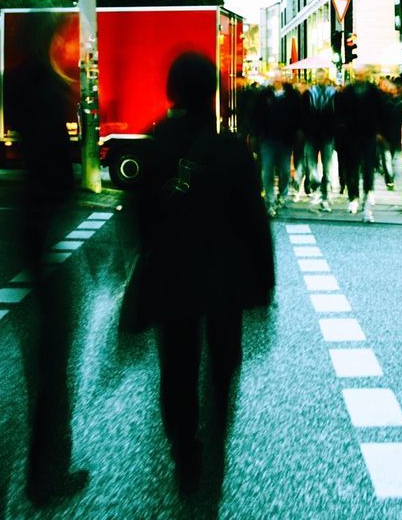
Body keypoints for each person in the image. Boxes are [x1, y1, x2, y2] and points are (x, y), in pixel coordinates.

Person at [127, 52, 275, 490]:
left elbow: (139, 219)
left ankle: (184, 449)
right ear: (212, 91)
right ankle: (216, 433)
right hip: (223, 278)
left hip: (173, 277)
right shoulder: (230, 148)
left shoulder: (155, 142)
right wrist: (264, 283)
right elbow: (254, 220)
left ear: (172, 91)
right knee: (223, 361)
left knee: (177, 365)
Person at [3, 15, 88, 507]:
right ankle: (47, 478)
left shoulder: (17, 84)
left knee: (37, 366)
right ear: (50, 40)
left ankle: (31, 475)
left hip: (24, 230)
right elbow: (57, 167)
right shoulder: (49, 88)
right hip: (45, 232)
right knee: (53, 368)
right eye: (61, 36)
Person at [337, 67, 385, 222]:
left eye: (361, 75)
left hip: (368, 134)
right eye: (357, 75)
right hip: (352, 134)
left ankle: (368, 193)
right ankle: (353, 197)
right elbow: (341, 113)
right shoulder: (348, 92)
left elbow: (380, 112)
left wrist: (378, 131)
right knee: (352, 167)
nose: (359, 77)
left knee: (368, 168)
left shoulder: (373, 92)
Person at [251, 73, 301, 217]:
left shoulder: (291, 96)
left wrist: (294, 133)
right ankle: (270, 200)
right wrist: (258, 132)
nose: (277, 80)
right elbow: (257, 115)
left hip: (285, 139)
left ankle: (282, 196)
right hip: (268, 139)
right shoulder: (264, 96)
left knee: (285, 171)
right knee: (267, 171)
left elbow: (297, 116)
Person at [301, 69, 337, 211]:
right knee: (312, 166)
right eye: (318, 76)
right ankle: (317, 187)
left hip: (326, 135)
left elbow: (337, 114)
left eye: (322, 76)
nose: (320, 79)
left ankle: (325, 196)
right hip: (312, 135)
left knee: (327, 168)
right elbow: (303, 114)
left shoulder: (332, 94)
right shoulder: (309, 94)